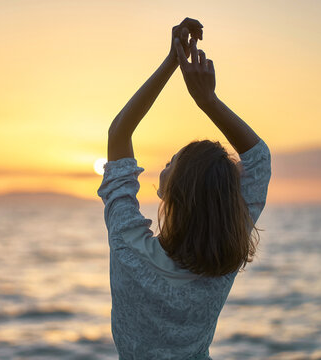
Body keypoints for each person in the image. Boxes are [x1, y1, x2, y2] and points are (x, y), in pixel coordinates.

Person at [97, 17, 272, 359]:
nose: (164, 164)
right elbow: (259, 159)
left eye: (171, 161)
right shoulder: (226, 253)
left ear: (173, 190)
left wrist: (170, 62)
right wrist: (207, 100)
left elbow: (119, 133)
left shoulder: (128, 247)